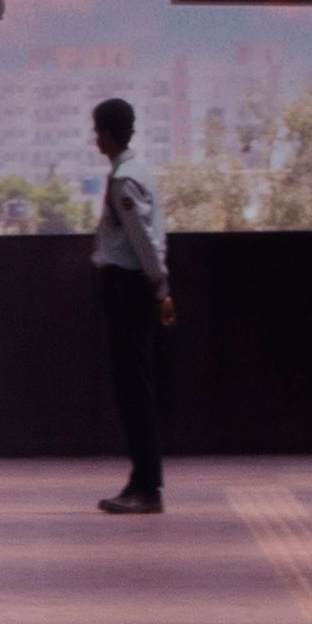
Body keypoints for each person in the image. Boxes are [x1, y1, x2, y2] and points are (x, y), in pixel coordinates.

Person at [91, 96, 175, 514]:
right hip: (134, 288)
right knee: (135, 389)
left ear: (107, 133)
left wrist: (160, 290)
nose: (95, 140)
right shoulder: (138, 171)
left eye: (97, 131)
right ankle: (141, 481)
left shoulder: (124, 180)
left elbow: (142, 240)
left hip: (127, 289)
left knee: (134, 391)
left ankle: (146, 487)